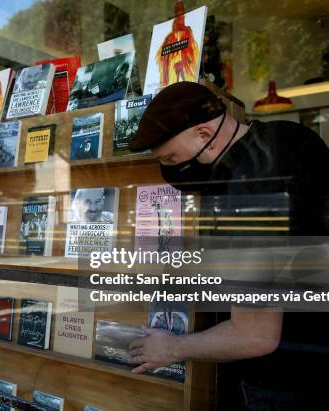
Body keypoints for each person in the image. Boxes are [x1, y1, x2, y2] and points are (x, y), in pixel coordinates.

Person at [127, 81, 329, 409]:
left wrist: (170, 349)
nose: (170, 169)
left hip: (284, 381)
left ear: (204, 134)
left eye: (171, 157)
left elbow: (255, 336)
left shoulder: (247, 193)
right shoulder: (291, 136)